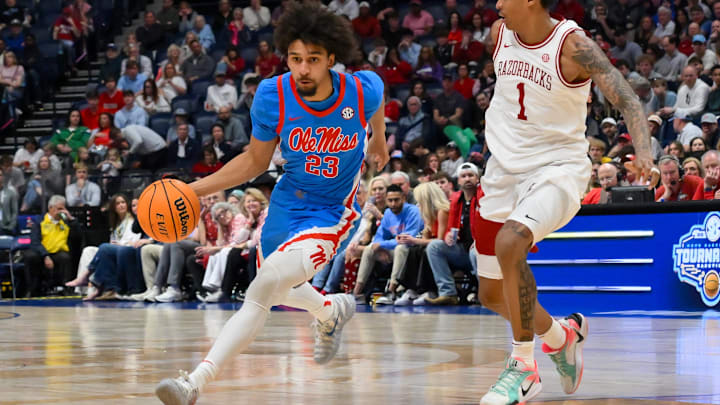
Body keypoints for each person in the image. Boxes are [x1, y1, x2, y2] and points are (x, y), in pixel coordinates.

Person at [155, 4, 388, 404]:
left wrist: (379, 139)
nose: (303, 69)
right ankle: (330, 311)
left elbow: (378, 99)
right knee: (280, 288)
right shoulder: (272, 95)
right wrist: (193, 190)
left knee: (262, 289)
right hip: (286, 204)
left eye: (313, 60)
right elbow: (254, 161)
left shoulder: (360, 89)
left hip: (332, 211)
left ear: (332, 59)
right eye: (295, 59)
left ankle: (194, 383)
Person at [477, 0, 654, 402]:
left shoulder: (571, 45)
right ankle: (562, 337)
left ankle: (524, 368)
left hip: (556, 171)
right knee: (490, 294)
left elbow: (626, 97)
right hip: (501, 173)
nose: (498, 3)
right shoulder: (498, 34)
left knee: (510, 242)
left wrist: (645, 152)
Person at [21, 195, 75, 297]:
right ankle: (32, 289)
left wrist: (71, 219)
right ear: (50, 208)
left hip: (58, 252)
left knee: (65, 257)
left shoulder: (66, 222)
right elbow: (35, 241)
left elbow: (77, 237)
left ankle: (64, 288)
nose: (62, 212)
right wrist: (45, 255)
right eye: (59, 209)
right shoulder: (39, 220)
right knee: (30, 256)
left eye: (63, 208)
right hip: (42, 252)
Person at [0, 168, 18, 235]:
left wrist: (10, 227)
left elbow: (14, 212)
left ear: (3, 177)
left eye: (0, 175)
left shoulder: (11, 192)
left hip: (6, 228)